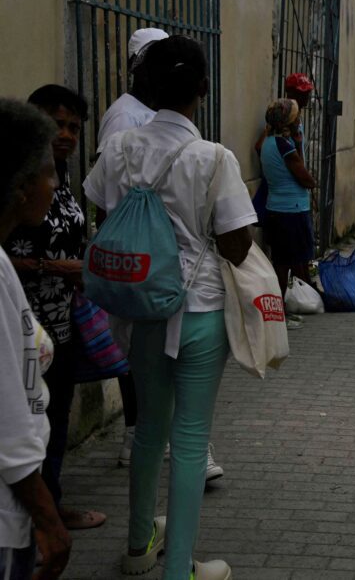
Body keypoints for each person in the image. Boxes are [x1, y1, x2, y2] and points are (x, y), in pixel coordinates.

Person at [84, 35, 256, 580]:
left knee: (148, 431)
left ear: (147, 85)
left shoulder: (118, 149)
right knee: (189, 439)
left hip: (139, 311)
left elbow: (104, 216)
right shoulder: (214, 158)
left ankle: (139, 546)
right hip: (199, 308)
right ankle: (179, 568)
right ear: (203, 87)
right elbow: (237, 245)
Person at [4, 86, 109, 532]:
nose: (65, 134)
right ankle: (33, 516)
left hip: (60, 324)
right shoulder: (16, 180)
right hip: (18, 323)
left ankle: (50, 503)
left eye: (73, 127)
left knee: (54, 418)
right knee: (21, 421)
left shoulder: (61, 177)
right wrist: (52, 266)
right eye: (56, 124)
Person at [0, 98, 71, 580]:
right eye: (48, 175)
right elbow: (8, 419)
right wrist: (48, 519)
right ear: (22, 187)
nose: (55, 185)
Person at [259, 99, 318, 314]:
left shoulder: (268, 142)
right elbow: (305, 178)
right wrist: (312, 181)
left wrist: (298, 142)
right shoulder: (284, 146)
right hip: (291, 210)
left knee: (283, 260)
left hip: (276, 208)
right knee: (286, 263)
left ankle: (287, 305)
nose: (299, 120)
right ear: (288, 122)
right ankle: (281, 310)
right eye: (296, 117)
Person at [96, 27, 168, 152]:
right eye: (150, 61)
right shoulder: (124, 116)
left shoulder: (159, 109)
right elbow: (109, 161)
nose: (158, 68)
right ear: (133, 67)